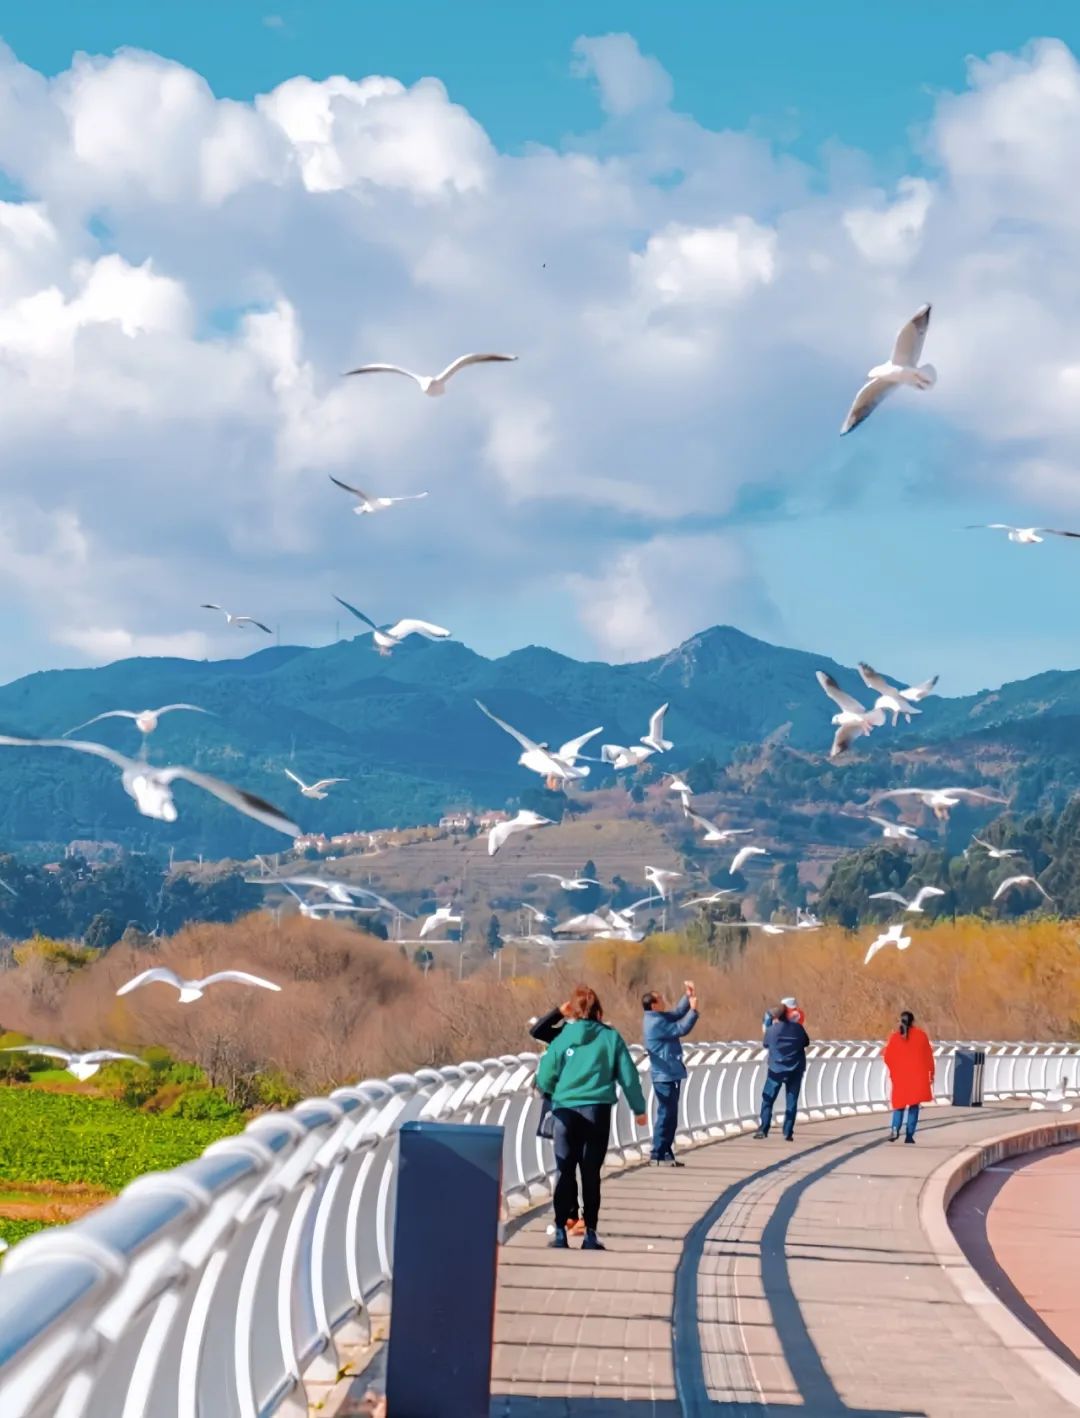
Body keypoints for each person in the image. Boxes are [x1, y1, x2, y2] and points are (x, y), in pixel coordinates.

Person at [535, 984, 647, 1251]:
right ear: (599, 1010)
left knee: (564, 1170)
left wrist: (554, 1090)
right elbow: (628, 1076)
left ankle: (561, 1231)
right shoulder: (610, 1037)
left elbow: (545, 1074)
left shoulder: (563, 1037)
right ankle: (590, 1234)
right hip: (597, 1110)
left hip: (565, 1110)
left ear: (572, 1009)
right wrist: (639, 1109)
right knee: (590, 1172)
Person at [529, 1003, 584, 1237]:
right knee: (566, 1162)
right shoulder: (562, 1034)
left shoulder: (592, 1035)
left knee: (569, 1162)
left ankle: (571, 1217)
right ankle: (570, 1217)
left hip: (578, 1104)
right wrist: (558, 1013)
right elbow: (537, 1031)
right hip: (564, 1104)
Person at [642, 980, 699, 1166]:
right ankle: (657, 1153)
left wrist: (687, 996)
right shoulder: (655, 1022)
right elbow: (680, 1028)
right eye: (660, 1000)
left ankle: (666, 1153)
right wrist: (693, 1011)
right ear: (653, 1004)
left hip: (670, 1072)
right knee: (666, 1114)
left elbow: (675, 1014)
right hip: (664, 1074)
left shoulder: (657, 1017)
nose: (663, 1001)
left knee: (671, 1114)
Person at [754, 1002, 810, 1141]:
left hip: (776, 1070)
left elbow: (766, 1044)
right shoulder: (798, 1028)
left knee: (768, 1099)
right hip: (795, 1069)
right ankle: (788, 1131)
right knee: (792, 1101)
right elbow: (806, 1042)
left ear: (774, 1017)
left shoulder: (772, 1030)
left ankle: (764, 1128)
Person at [882, 1010, 935, 1143]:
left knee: (899, 1104)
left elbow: (887, 1057)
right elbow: (928, 1057)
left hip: (900, 1077)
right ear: (913, 1022)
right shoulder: (921, 1036)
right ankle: (909, 1135)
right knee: (913, 1105)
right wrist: (931, 1073)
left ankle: (895, 1128)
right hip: (917, 1077)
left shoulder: (894, 1037)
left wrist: (895, 1070)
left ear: (901, 1021)